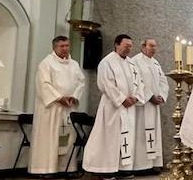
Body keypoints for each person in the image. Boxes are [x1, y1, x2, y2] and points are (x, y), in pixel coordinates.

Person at [83, 34, 145, 177]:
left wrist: (135, 98)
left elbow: (140, 83)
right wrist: (122, 99)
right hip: (112, 108)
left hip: (129, 108)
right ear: (117, 44)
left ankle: (122, 168)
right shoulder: (107, 62)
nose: (129, 49)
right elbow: (106, 84)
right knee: (110, 139)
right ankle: (106, 169)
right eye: (126, 45)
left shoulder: (132, 64)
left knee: (125, 139)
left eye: (130, 46)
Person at [29, 36, 85, 175]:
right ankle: (44, 169)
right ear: (54, 47)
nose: (65, 48)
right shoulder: (46, 63)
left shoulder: (74, 64)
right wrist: (59, 98)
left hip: (68, 108)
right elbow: (44, 84)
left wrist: (74, 96)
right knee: (50, 138)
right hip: (52, 109)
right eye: (62, 46)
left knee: (68, 138)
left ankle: (66, 168)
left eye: (67, 45)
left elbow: (81, 82)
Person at [130, 39, 168, 171]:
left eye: (155, 46)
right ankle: (140, 165)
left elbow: (163, 81)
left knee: (153, 135)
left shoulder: (155, 62)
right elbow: (137, 82)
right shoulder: (135, 61)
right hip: (142, 105)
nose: (153, 49)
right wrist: (150, 96)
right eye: (151, 46)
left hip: (154, 105)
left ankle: (153, 164)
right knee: (141, 134)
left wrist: (161, 96)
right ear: (143, 46)